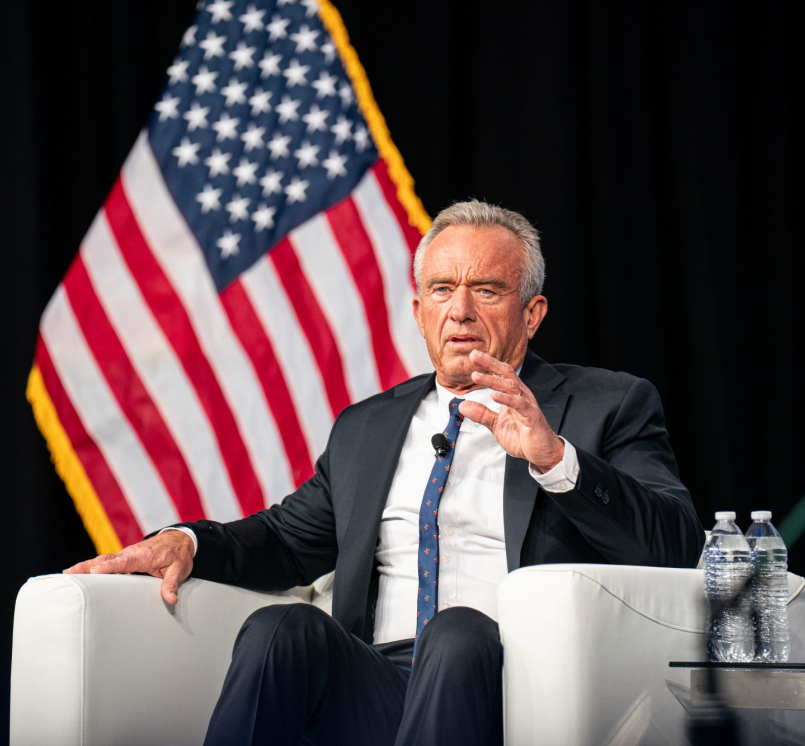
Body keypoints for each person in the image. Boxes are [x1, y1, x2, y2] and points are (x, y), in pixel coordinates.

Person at [66, 200, 704, 746]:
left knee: (457, 633)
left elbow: (675, 543)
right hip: (378, 682)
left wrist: (554, 458)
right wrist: (189, 541)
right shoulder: (367, 427)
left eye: (486, 290)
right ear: (420, 309)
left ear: (531, 314)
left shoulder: (606, 405)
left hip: (512, 681)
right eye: (441, 290)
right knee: (282, 629)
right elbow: (288, 539)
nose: (460, 311)